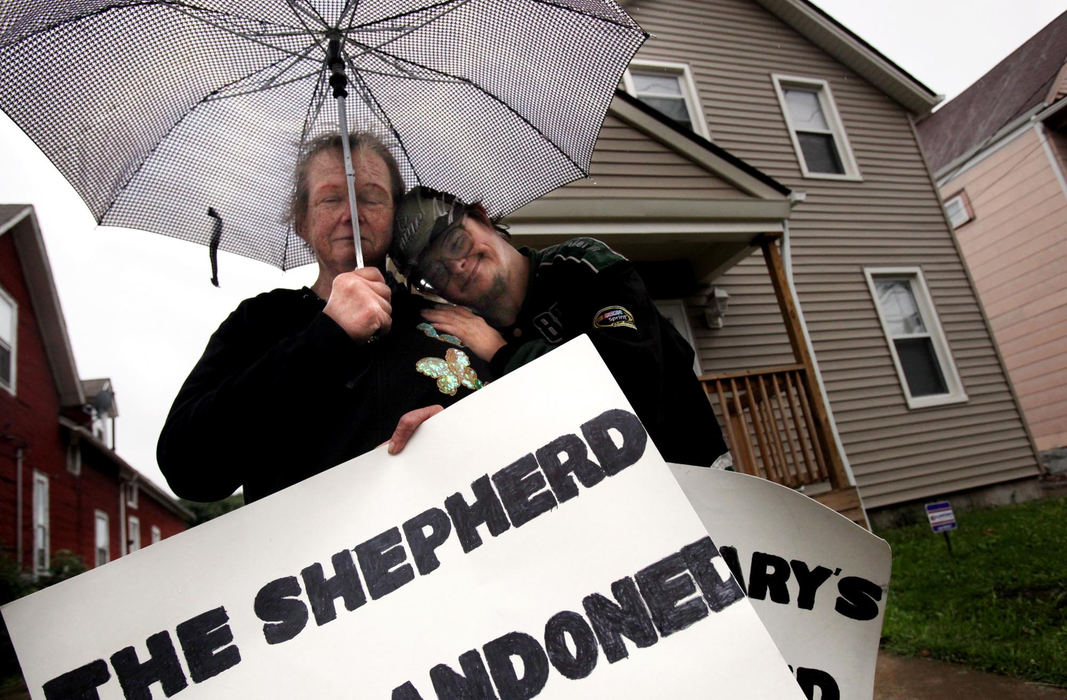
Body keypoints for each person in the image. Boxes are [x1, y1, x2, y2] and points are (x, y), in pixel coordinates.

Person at [157, 135, 491, 503]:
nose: (351, 213)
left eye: (371, 197)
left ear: (395, 215)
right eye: (331, 198)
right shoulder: (261, 321)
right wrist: (328, 334)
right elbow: (189, 470)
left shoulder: (448, 318)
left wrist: (455, 427)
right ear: (302, 220)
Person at [391, 186, 727, 467]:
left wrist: (504, 355)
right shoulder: (464, 341)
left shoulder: (582, 267)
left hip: (692, 473)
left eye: (455, 242)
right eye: (435, 273)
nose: (458, 265)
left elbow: (630, 383)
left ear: (482, 217)